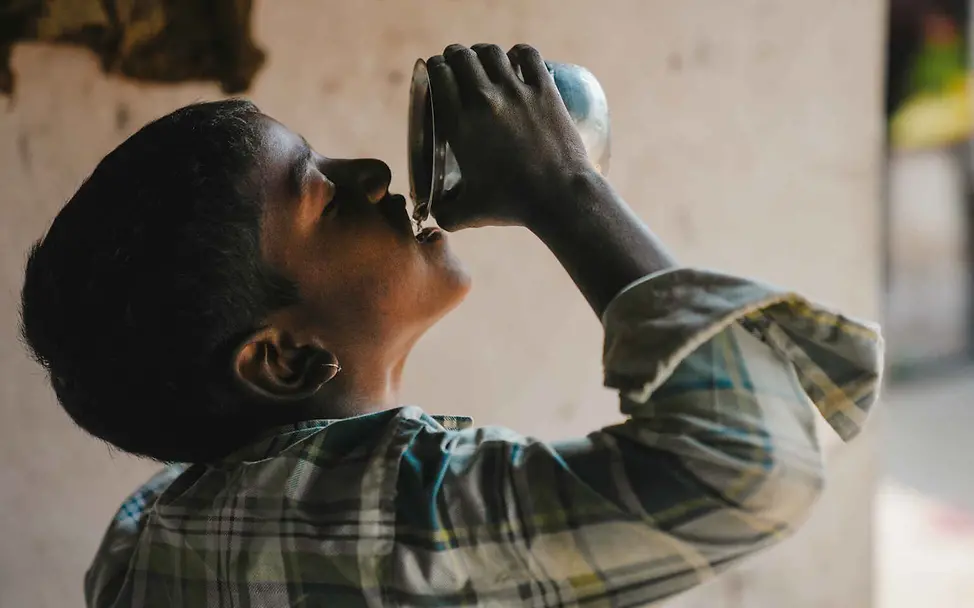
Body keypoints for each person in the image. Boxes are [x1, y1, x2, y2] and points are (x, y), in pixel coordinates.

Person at [20, 44, 881, 607]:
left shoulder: (146, 531)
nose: (371, 172)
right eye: (322, 195)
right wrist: (565, 188)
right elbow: (745, 469)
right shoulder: (389, 516)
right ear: (283, 357)